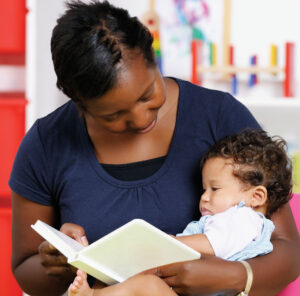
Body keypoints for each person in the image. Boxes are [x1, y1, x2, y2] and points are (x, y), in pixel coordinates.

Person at [9, 1, 299, 296]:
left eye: (148, 94)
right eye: (113, 116)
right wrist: (57, 263)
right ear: (79, 105)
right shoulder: (47, 144)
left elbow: (288, 251)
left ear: (152, 57)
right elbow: (24, 267)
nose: (141, 118)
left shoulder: (219, 116)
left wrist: (234, 277)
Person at [66, 129, 292, 296]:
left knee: (148, 285)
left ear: (256, 197)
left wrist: (166, 242)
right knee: (119, 278)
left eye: (215, 189)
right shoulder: (229, 219)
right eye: (204, 189)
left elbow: (213, 244)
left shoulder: (245, 219)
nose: (204, 197)